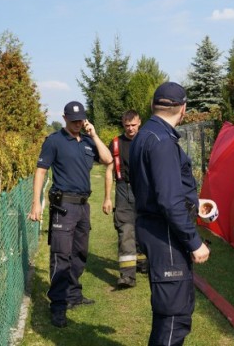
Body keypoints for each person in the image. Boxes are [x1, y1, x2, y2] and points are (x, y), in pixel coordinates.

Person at [129, 82, 211, 346]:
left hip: (156, 228)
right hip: (165, 235)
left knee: (170, 313)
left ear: (154, 105)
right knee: (175, 317)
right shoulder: (162, 141)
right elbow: (167, 199)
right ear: (183, 109)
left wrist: (195, 203)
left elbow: (158, 188)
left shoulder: (147, 134)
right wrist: (194, 241)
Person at [28, 101, 112, 328]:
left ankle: (74, 295)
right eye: (73, 119)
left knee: (80, 253)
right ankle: (58, 305)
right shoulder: (54, 141)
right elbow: (41, 171)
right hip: (63, 206)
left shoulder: (86, 141)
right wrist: (36, 202)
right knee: (61, 255)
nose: (77, 123)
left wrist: (94, 135)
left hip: (83, 207)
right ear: (64, 118)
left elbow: (107, 159)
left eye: (81, 119)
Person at [102, 109, 148, 289]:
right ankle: (127, 276)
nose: (130, 129)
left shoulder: (147, 140)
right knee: (125, 229)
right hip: (124, 188)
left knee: (144, 228)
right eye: (127, 125)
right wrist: (107, 198)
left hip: (145, 190)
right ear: (123, 125)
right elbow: (109, 171)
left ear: (140, 123)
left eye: (133, 125)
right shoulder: (115, 143)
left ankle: (143, 263)